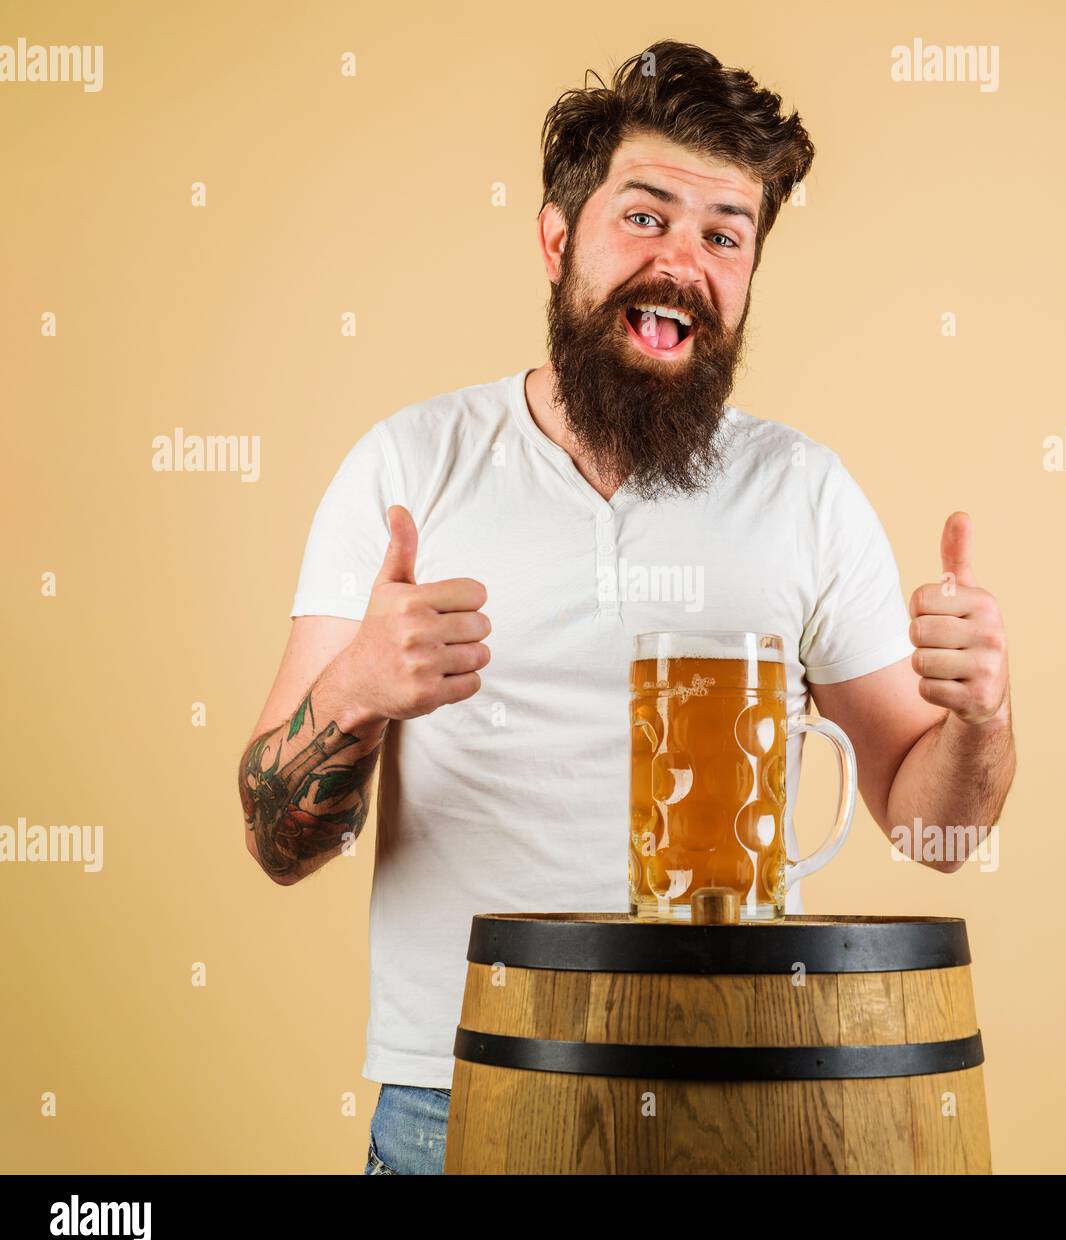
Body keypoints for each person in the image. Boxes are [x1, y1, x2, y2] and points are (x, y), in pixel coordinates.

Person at [237, 39, 1015, 1176]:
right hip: (458, 1094)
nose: (680, 261)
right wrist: (353, 691)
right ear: (557, 240)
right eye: (643, 217)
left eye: (721, 234)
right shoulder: (407, 466)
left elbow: (932, 827)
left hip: (748, 1086)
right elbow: (274, 838)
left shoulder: (803, 490)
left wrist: (981, 717)